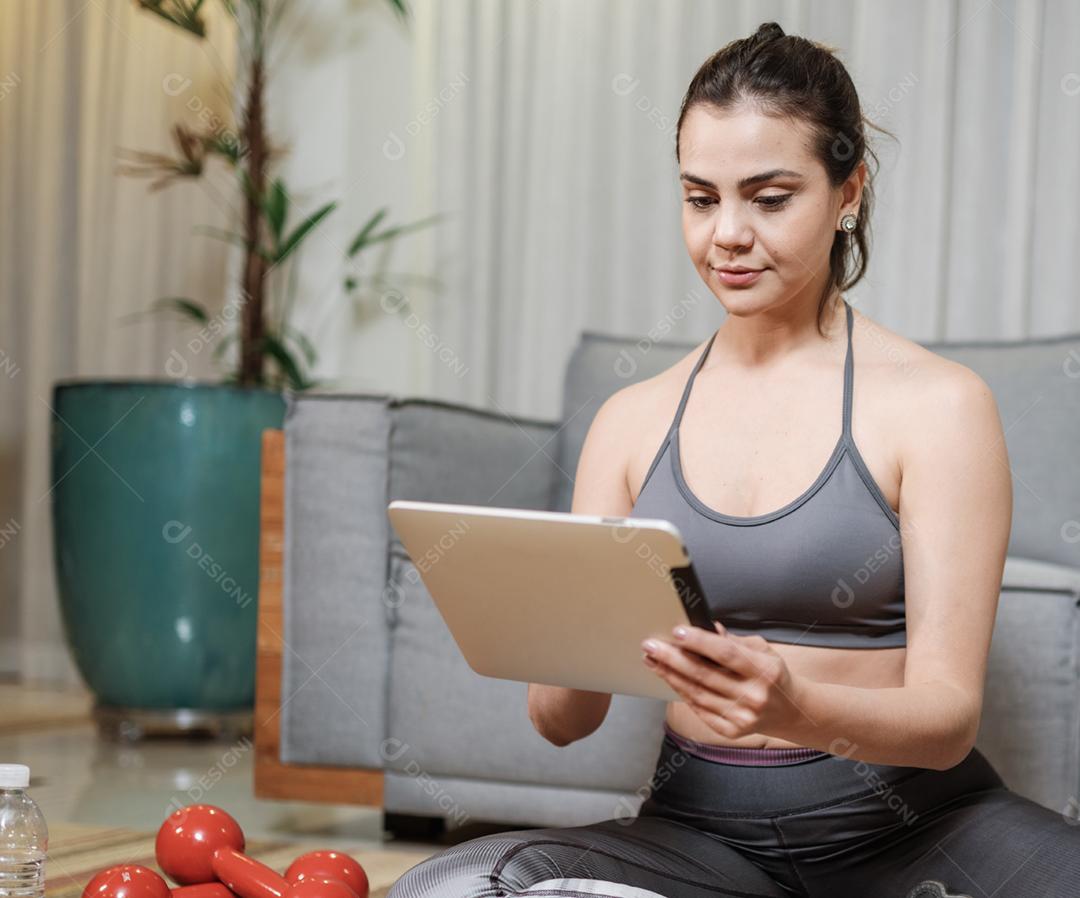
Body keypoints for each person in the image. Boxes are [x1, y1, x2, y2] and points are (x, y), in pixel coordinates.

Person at [387, 20, 1080, 898]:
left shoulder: (940, 406)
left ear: (848, 191)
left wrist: (796, 707)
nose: (728, 235)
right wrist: (528, 622)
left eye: (770, 197)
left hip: (921, 833)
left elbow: (947, 721)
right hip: (703, 841)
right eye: (700, 198)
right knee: (448, 887)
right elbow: (563, 721)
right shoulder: (630, 422)